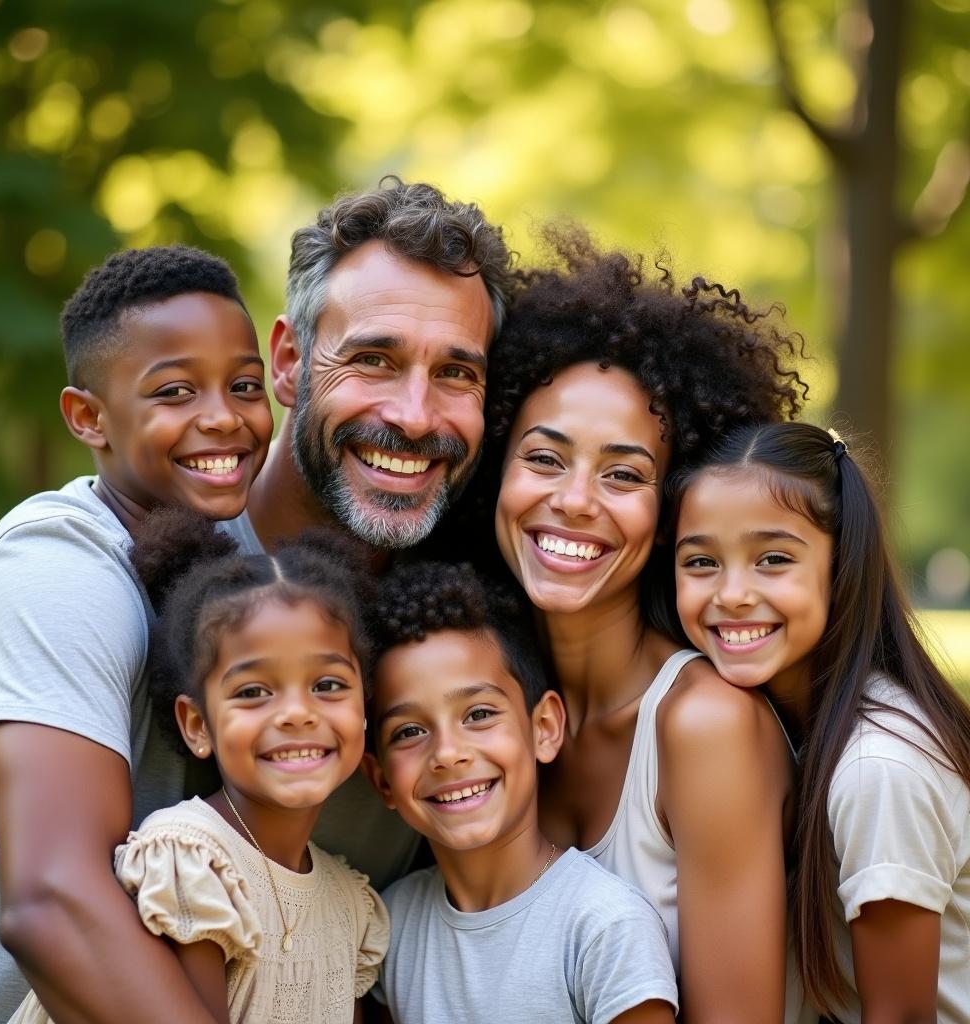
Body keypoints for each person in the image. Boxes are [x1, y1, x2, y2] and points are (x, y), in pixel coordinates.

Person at [484, 225, 811, 1021]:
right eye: (544, 458)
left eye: (624, 474)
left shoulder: (704, 726)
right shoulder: (486, 707)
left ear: (670, 517)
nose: (575, 500)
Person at [0, 245, 274, 1024]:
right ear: (88, 417)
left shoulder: (239, 568)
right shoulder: (52, 568)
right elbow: (53, 906)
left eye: (245, 386)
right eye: (175, 391)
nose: (224, 416)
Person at [222, 176, 516, 890]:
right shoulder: (114, 559)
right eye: (373, 360)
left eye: (454, 373)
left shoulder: (462, 634)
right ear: (289, 363)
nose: (415, 416)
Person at [8, 509, 389, 1024]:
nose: (298, 714)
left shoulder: (350, 905)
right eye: (254, 692)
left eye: (327, 685)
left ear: (364, 704)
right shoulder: (190, 863)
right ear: (197, 726)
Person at [671, 422, 970, 1024]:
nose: (731, 593)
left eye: (773, 559)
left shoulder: (878, 769)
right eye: (701, 561)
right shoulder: (782, 723)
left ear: (842, 567)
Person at [364, 561, 678, 1024]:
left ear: (544, 729)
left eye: (478, 714)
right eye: (409, 731)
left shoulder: (603, 927)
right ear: (382, 780)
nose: (448, 754)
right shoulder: (394, 923)